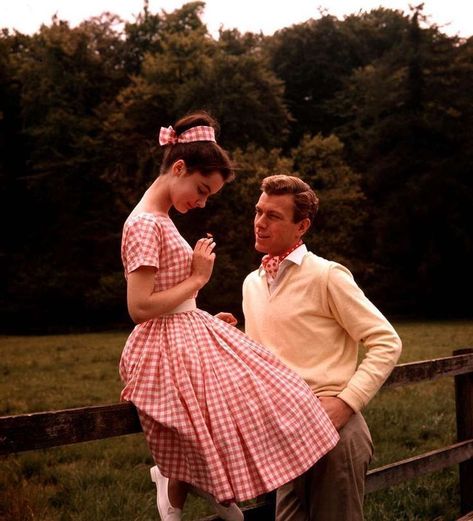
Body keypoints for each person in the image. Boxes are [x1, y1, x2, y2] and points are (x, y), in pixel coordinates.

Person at [119, 114, 340, 521]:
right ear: (179, 168)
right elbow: (140, 308)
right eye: (201, 190)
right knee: (223, 403)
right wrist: (199, 279)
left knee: (271, 388)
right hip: (161, 342)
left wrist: (199, 317)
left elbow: (168, 298)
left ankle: (203, 484)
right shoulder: (145, 224)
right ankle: (182, 484)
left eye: (208, 197)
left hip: (184, 328)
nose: (201, 202)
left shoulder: (161, 220)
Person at [242, 174, 402, 521]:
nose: (260, 223)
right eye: (258, 211)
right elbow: (266, 355)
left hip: (335, 433)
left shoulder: (327, 276)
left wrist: (347, 403)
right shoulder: (252, 284)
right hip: (283, 435)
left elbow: (386, 340)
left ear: (302, 226)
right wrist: (227, 335)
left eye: (273, 216)